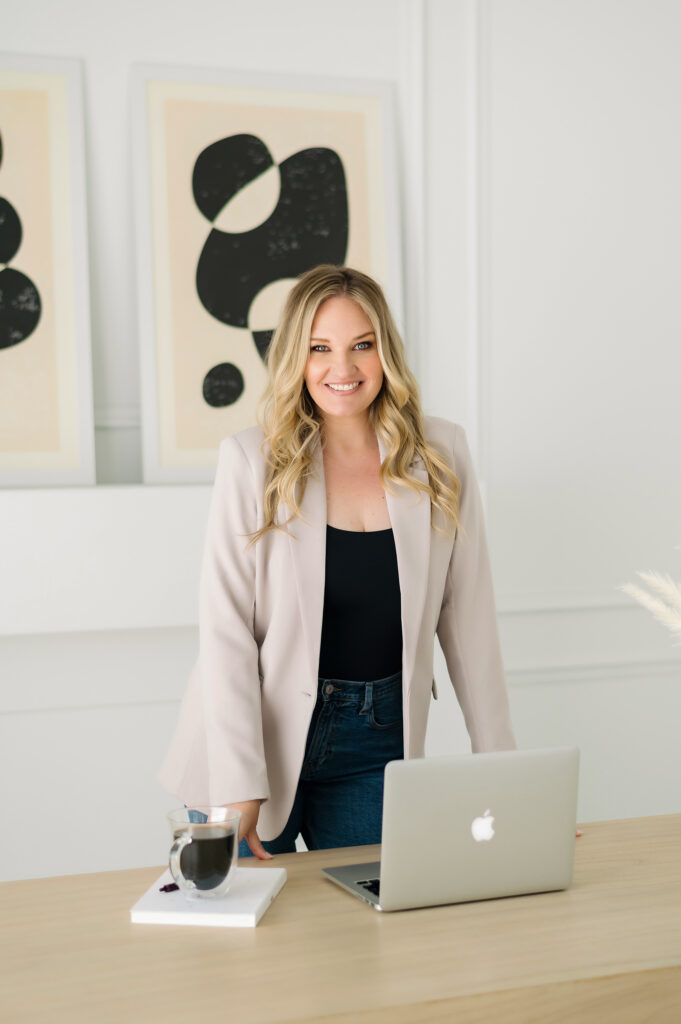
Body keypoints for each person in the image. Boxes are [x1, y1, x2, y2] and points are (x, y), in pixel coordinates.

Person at [158, 263, 517, 859]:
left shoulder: (442, 452)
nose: (342, 369)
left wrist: (506, 776)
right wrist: (239, 781)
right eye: (320, 348)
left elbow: (468, 617)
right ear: (297, 358)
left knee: (368, 941)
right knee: (245, 944)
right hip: (250, 740)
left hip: (377, 745)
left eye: (362, 346)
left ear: (386, 353)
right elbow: (226, 633)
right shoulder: (251, 460)